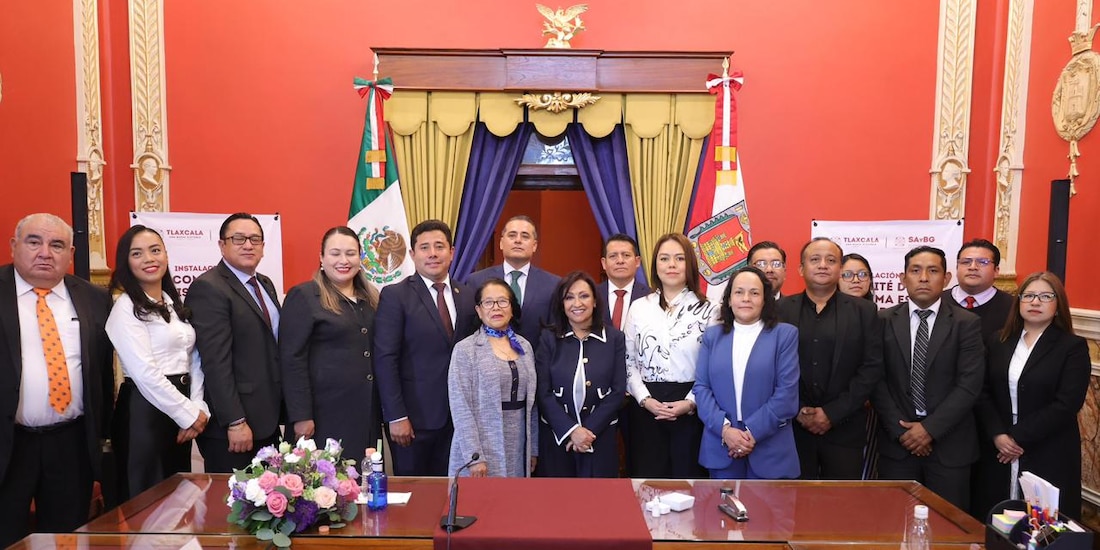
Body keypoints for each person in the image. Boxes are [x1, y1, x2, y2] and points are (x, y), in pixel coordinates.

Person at [0, 213, 114, 548]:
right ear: (14, 247)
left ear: (71, 253)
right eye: (34, 242)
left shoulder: (94, 298)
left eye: (57, 245)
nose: (45, 252)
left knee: (66, 538)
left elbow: (103, 375)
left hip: (71, 444)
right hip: (8, 444)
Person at [872, 246, 984, 511]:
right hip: (897, 446)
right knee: (892, 523)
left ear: (946, 279)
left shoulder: (966, 323)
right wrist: (903, 432)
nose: (924, 278)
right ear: (903, 278)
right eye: (915, 270)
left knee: (948, 529)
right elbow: (875, 380)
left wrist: (928, 429)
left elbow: (969, 385)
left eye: (932, 271)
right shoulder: (882, 320)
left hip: (949, 447)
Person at [973, 272, 1090, 520]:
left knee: (1044, 526)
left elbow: (1067, 404)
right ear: (1019, 303)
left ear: (1058, 305)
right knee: (998, 519)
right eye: (1029, 296)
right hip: (998, 447)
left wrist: (1016, 437)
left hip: (1047, 447)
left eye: (1045, 296)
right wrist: (998, 435)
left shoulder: (1072, 347)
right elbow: (982, 392)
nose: (1035, 302)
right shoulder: (998, 340)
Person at [106, 225, 209, 500]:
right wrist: (187, 414)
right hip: (144, 412)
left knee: (179, 501)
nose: (149, 259)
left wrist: (198, 408)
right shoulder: (125, 307)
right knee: (148, 503)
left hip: (180, 408)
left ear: (165, 254)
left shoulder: (173, 303)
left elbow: (194, 359)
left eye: (155, 250)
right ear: (126, 262)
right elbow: (144, 373)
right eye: (137, 253)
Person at [375, 220, 478, 476]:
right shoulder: (395, 296)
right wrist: (396, 416)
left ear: (452, 252)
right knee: (415, 500)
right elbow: (385, 358)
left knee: (454, 496)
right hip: (413, 421)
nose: (432, 253)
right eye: (424, 247)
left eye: (439, 246)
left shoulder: (467, 296)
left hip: (459, 420)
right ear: (412, 254)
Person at [777, 238, 883, 480]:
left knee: (842, 508)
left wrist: (832, 413)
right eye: (815, 260)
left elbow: (871, 369)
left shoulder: (864, 312)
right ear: (801, 269)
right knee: (794, 507)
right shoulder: (781, 310)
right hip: (793, 429)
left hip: (845, 429)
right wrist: (799, 409)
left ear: (840, 269)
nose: (823, 265)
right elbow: (773, 367)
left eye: (831, 260)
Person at [188, 212, 283, 473]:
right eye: (238, 238)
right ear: (222, 245)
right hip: (233, 428)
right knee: (231, 508)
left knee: (269, 504)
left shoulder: (264, 283)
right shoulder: (209, 288)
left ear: (263, 246)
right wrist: (235, 421)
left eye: (255, 239)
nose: (248, 245)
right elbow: (215, 362)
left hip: (267, 419)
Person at [280, 226, 382, 468]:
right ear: (322, 258)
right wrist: (301, 416)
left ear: (360, 258)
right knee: (326, 489)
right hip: (322, 416)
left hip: (365, 414)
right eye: (335, 253)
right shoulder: (304, 296)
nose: (343, 261)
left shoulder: (371, 299)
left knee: (363, 485)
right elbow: (291, 359)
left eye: (351, 253)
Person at [623, 233, 718, 478]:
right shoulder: (639, 307)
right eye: (664, 259)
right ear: (655, 265)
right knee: (647, 485)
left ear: (690, 264)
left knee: (689, 484)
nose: (672, 265)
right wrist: (645, 399)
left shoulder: (710, 310)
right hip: (645, 408)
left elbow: (712, 367)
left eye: (679, 258)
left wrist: (689, 403)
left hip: (691, 407)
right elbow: (628, 361)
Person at [694, 266, 800, 479]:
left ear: (765, 299)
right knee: (721, 512)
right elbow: (702, 388)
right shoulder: (712, 336)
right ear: (729, 298)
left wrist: (750, 434)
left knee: (769, 513)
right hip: (721, 446)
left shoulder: (785, 335)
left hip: (771, 450)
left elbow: (787, 394)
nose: (746, 298)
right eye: (739, 292)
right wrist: (726, 431)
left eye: (754, 293)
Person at [535, 271, 626, 477]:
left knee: (598, 504)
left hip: (599, 437)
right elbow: (543, 392)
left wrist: (586, 433)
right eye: (569, 297)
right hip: (558, 439)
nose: (577, 303)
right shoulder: (549, 338)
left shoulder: (614, 339)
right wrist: (571, 431)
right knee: (557, 503)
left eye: (584, 296)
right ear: (561, 304)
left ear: (595, 301)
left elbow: (618, 391)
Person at [448, 279, 537, 477]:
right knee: (481, 505)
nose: (496, 308)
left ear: (512, 308)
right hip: (482, 443)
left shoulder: (525, 346)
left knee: (514, 504)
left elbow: (532, 404)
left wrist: (533, 448)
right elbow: (461, 407)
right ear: (479, 311)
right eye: (488, 302)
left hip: (519, 444)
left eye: (502, 301)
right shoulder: (466, 349)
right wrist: (475, 456)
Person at [465, 215, 560, 352]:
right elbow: (471, 328)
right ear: (501, 243)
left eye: (525, 236)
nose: (518, 240)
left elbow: (554, 333)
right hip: (488, 364)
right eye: (512, 235)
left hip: (536, 366)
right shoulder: (476, 281)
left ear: (534, 246)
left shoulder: (553, 285)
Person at [950, 239, 1014, 340]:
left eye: (982, 262)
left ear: (996, 271)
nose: (973, 267)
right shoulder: (938, 301)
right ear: (957, 267)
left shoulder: (1013, 307)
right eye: (966, 262)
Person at [596, 233, 651, 331]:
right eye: (613, 256)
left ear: (637, 261)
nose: (620, 261)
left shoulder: (651, 297)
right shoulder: (592, 295)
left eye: (626, 255)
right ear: (604, 263)